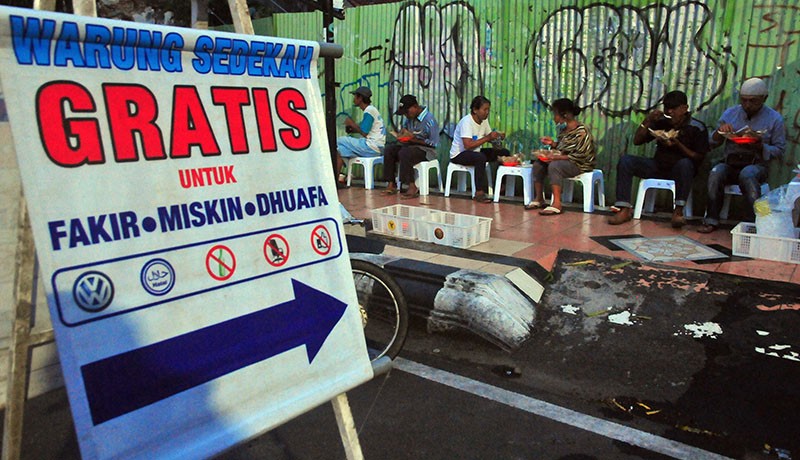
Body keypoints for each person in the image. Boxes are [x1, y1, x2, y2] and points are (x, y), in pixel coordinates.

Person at [608, 90, 709, 227]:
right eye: (667, 108)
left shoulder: (697, 127)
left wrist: (678, 144)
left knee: (685, 164)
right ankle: (624, 209)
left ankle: (678, 212)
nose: (669, 112)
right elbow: (637, 141)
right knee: (626, 161)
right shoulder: (662, 122)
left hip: (681, 171)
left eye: (674, 109)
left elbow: (699, 157)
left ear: (684, 108)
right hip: (658, 165)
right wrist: (648, 120)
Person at [698, 78, 787, 233]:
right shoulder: (731, 113)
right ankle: (711, 219)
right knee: (715, 172)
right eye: (744, 100)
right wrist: (720, 133)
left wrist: (760, 145)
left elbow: (779, 150)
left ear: (764, 99)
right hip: (731, 162)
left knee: (747, 174)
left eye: (753, 101)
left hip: (756, 165)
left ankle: (754, 222)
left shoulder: (774, 119)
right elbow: (711, 143)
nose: (747, 105)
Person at [529, 98, 596, 215]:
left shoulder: (582, 131)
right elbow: (561, 149)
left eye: (555, 114)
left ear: (564, 115)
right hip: (565, 161)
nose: (554, 117)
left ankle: (557, 203)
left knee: (555, 166)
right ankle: (539, 198)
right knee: (538, 164)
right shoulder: (563, 130)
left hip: (579, 164)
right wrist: (552, 144)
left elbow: (580, 155)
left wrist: (556, 158)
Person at [449, 96, 509, 203]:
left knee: (504, 153)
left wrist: (498, 136)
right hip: (459, 154)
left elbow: (489, 137)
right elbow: (468, 145)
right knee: (480, 158)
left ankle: (502, 186)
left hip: (475, 151)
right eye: (485, 109)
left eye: (488, 110)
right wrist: (488, 138)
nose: (487, 112)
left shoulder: (484, 121)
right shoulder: (467, 122)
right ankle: (479, 192)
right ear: (475, 110)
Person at [381, 94, 440, 198]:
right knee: (390, 150)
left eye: (407, 112)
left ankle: (411, 185)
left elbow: (434, 143)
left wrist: (415, 139)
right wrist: (401, 135)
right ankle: (391, 183)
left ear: (415, 107)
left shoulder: (429, 120)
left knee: (405, 153)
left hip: (426, 150)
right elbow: (405, 132)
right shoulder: (409, 118)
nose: (406, 116)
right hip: (410, 145)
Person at [335, 86, 386, 187]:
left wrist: (351, 123)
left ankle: (339, 176)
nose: (353, 99)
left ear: (360, 98)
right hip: (375, 147)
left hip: (371, 146)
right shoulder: (371, 110)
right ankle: (336, 180)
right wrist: (353, 128)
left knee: (338, 140)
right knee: (339, 150)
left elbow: (364, 132)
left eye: (355, 96)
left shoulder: (369, 111)